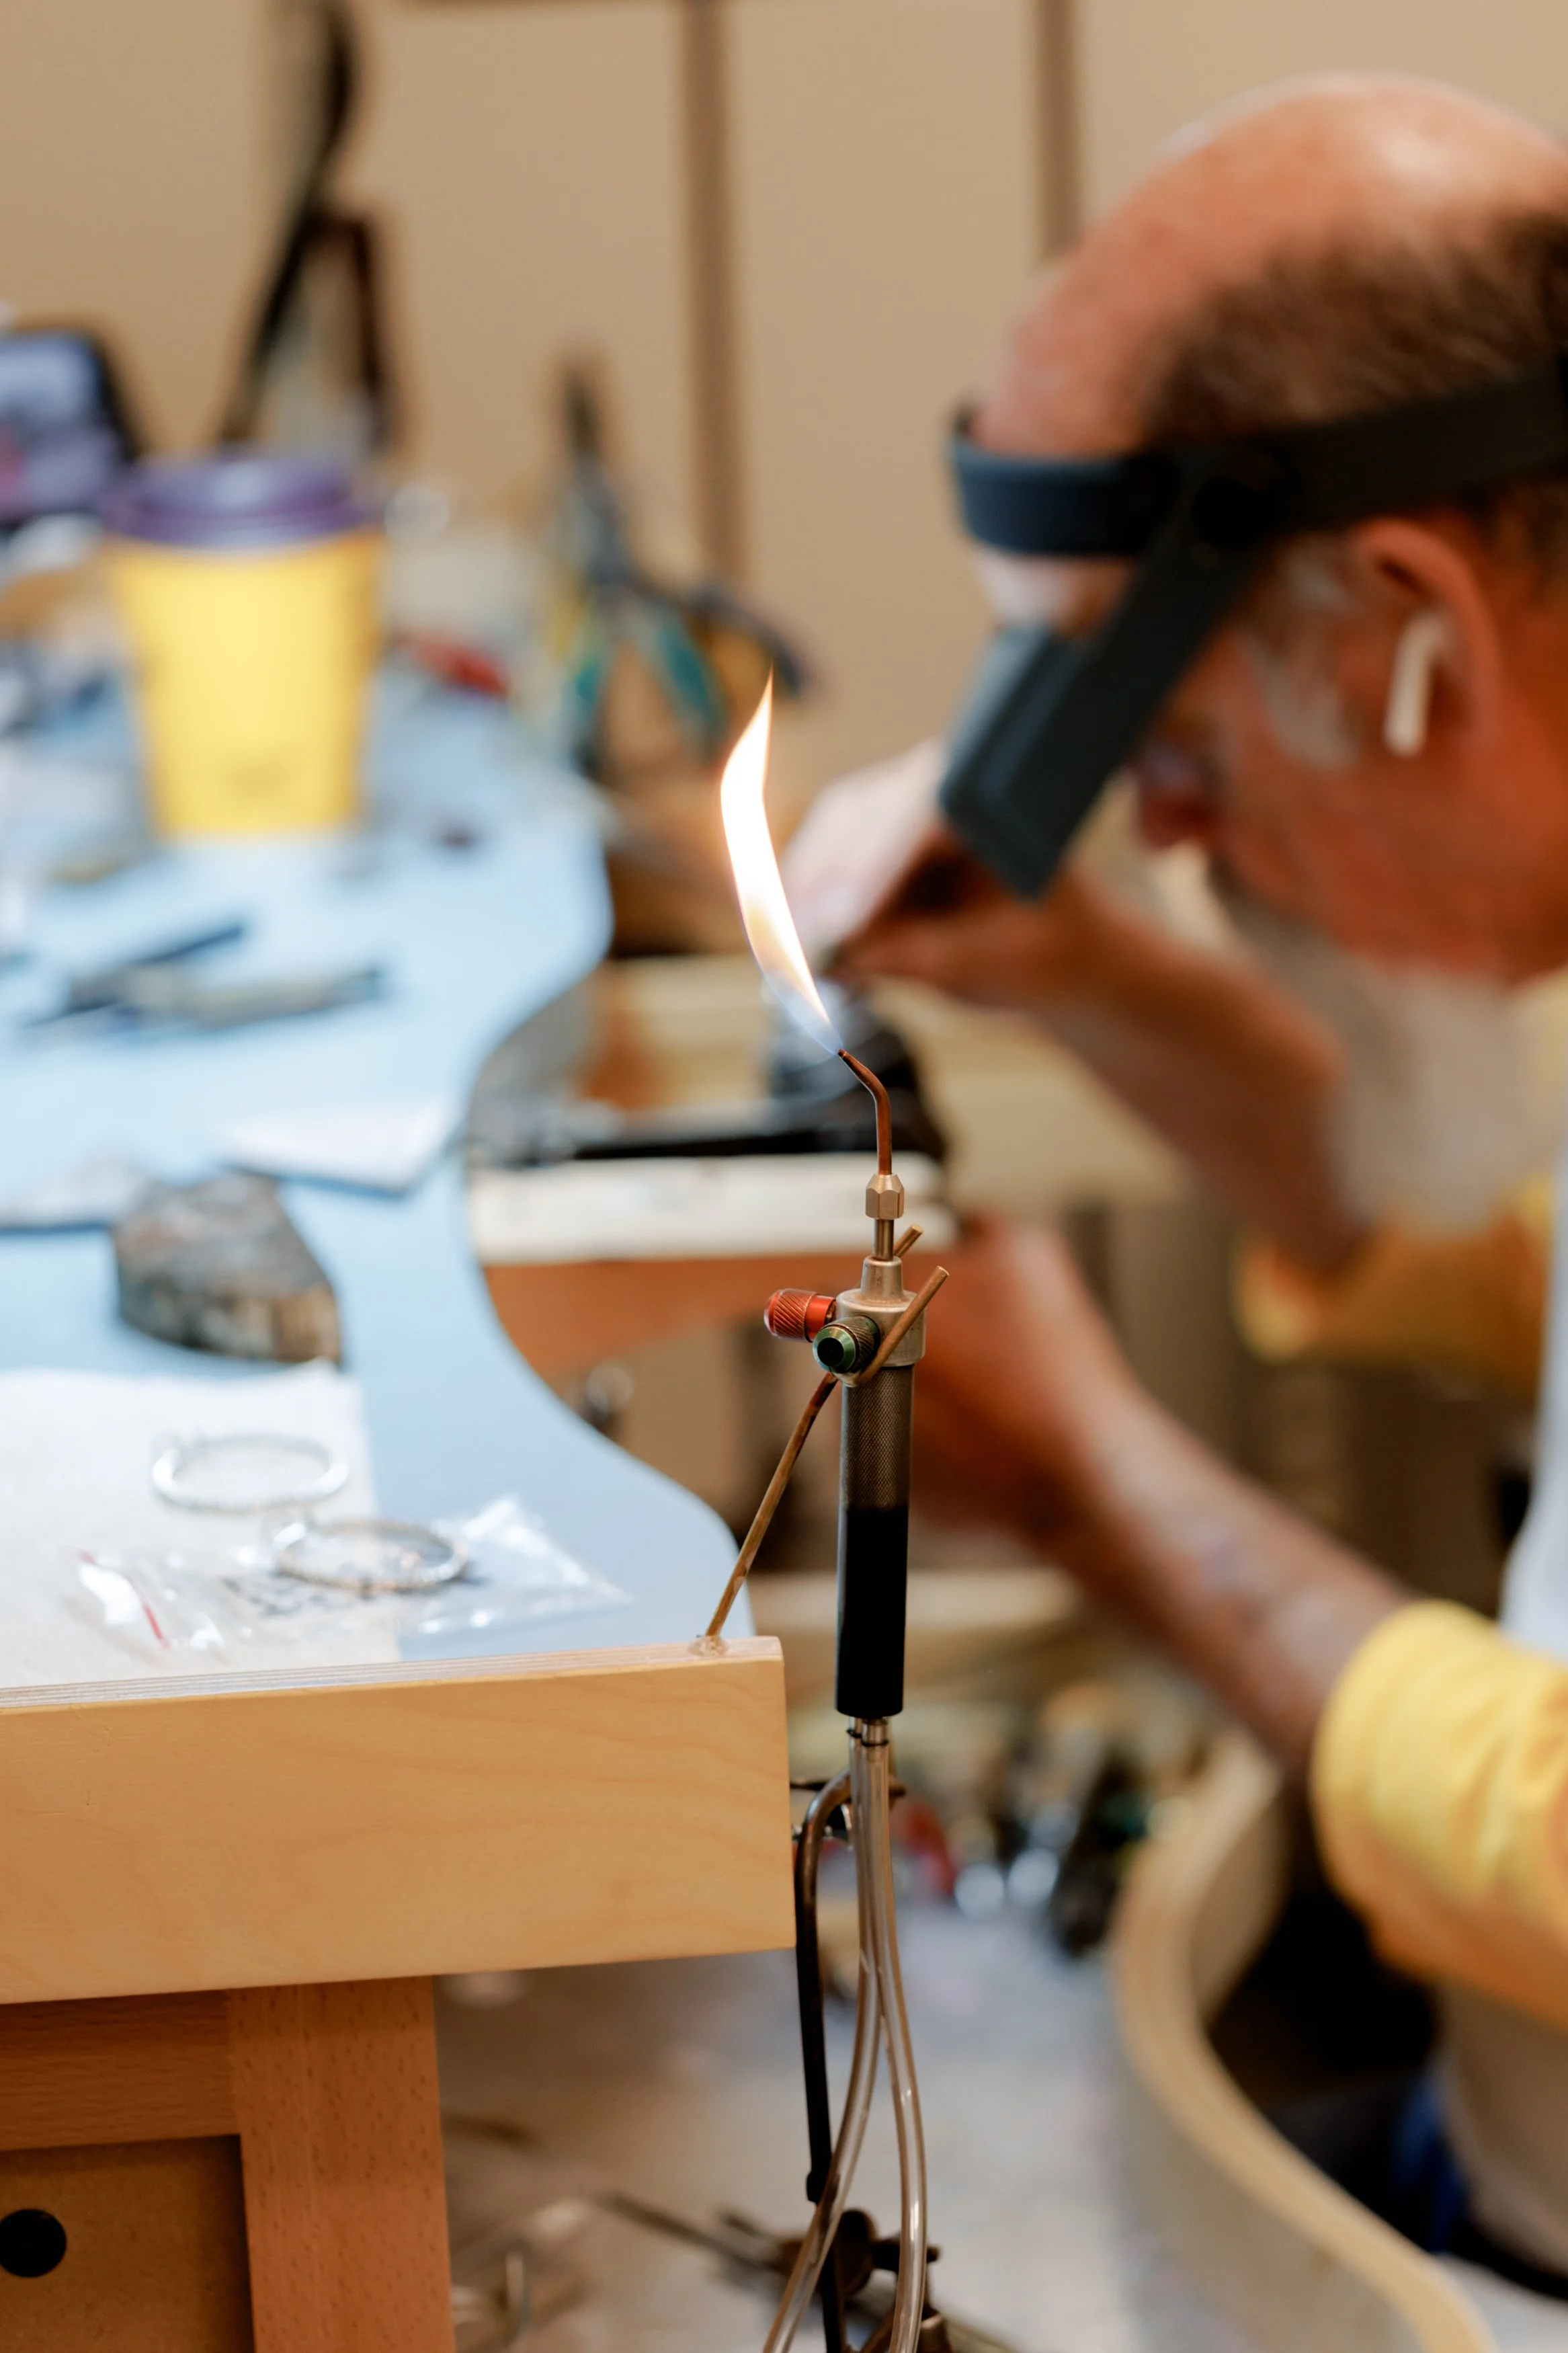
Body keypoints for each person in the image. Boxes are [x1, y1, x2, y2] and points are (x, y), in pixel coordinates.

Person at [792, 76, 1568, 2285]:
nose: (1167, 837)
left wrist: (1105, 1486)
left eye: (1181, 754)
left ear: (1409, 628)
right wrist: (1095, 979)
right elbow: (1526, 1279)